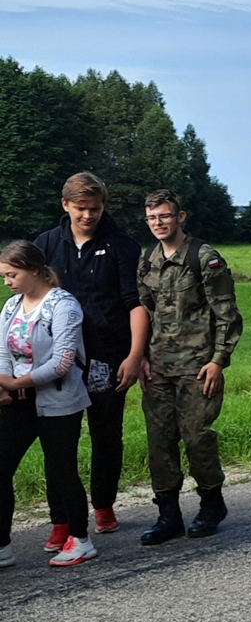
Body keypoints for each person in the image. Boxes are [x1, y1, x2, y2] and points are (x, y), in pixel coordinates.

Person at [34, 171, 147, 538]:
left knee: (107, 434)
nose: (88, 215)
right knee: (58, 440)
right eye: (80, 208)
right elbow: (30, 299)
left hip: (108, 356)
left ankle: (103, 504)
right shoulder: (47, 244)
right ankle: (61, 519)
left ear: (103, 206)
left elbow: (135, 303)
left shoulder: (123, 245)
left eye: (95, 208)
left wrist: (135, 355)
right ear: (65, 205)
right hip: (57, 360)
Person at [137, 189, 244, 544]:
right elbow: (144, 312)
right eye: (152, 218)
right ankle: (168, 515)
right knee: (159, 442)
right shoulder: (148, 259)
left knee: (197, 438)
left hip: (198, 367)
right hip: (158, 368)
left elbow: (227, 314)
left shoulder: (204, 257)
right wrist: (140, 358)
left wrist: (218, 361)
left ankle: (212, 505)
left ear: (180, 217)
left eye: (165, 216)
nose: (158, 223)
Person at [0, 241, 96, 567]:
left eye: (12, 275)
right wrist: (5, 382)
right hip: (18, 401)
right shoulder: (12, 306)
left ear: (34, 270)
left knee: (61, 469)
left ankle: (81, 540)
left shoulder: (63, 305)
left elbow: (62, 362)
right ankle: (2, 546)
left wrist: (17, 383)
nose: (7, 282)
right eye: (3, 276)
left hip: (58, 400)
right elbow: (3, 349)